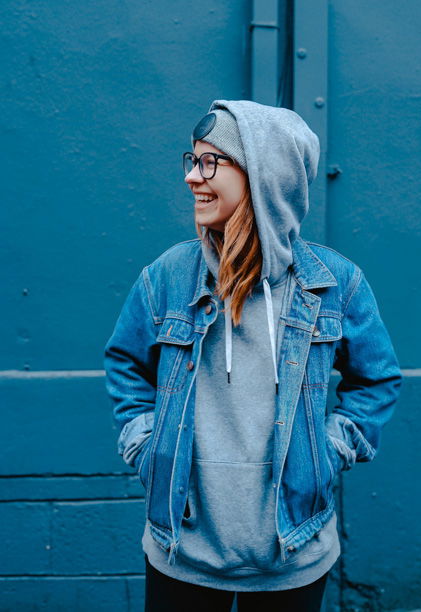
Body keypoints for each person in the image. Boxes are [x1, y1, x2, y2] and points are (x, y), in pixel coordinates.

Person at [104, 99, 402, 611]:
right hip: (182, 550)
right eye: (191, 161)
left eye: (210, 162)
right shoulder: (167, 278)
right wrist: (146, 446)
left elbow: (376, 381)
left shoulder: (335, 285)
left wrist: (329, 453)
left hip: (293, 552)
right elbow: (126, 366)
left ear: (265, 175)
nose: (193, 178)